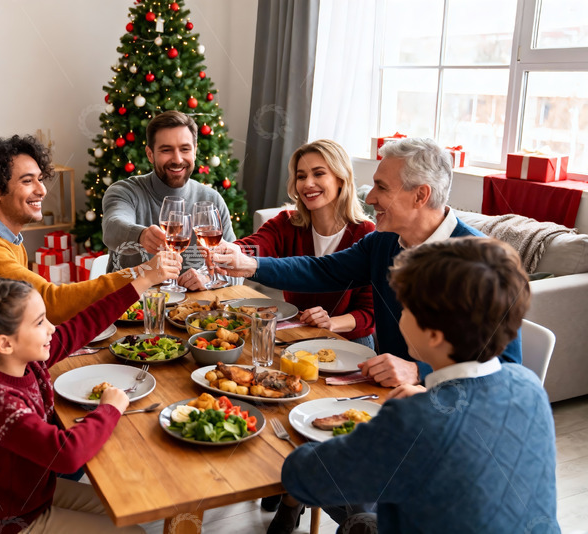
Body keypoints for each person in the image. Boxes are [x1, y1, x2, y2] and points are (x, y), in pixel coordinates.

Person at [269, 238, 558, 534]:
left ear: (433, 334)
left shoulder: (414, 419)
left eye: (405, 308)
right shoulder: (529, 385)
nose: (398, 316)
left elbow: (304, 475)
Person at [0, 135, 159, 458]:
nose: (41, 190)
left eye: (40, 179)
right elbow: (52, 302)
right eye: (28, 181)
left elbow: (42, 315)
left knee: (88, 426)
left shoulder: (4, 237)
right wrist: (142, 274)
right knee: (94, 444)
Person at [214, 137, 521, 389]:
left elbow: (507, 369)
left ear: (420, 195)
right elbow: (323, 270)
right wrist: (252, 265)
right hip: (378, 389)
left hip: (441, 405)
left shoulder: (481, 261)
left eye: (381, 187)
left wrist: (419, 371)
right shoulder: (385, 241)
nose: (370, 197)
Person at [0, 263, 178, 533]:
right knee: (133, 532)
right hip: (10, 522)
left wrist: (145, 280)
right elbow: (67, 454)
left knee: (126, 506)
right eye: (40, 322)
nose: (52, 328)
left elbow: (82, 325)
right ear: (5, 343)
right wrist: (109, 409)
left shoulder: (22, 361)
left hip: (32, 495)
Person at [234, 139, 375, 346]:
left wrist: (330, 322)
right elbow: (256, 245)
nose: (307, 183)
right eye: (301, 176)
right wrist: (231, 250)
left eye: (318, 174)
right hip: (300, 334)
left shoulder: (366, 233)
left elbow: (370, 311)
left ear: (341, 179)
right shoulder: (287, 223)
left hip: (349, 341)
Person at [102, 110, 237, 290]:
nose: (177, 159)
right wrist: (141, 236)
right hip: (132, 310)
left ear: (195, 151)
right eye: (166, 150)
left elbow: (236, 268)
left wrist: (206, 279)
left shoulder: (211, 200)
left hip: (190, 313)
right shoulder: (124, 191)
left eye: (185, 149)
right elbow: (112, 228)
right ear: (150, 154)